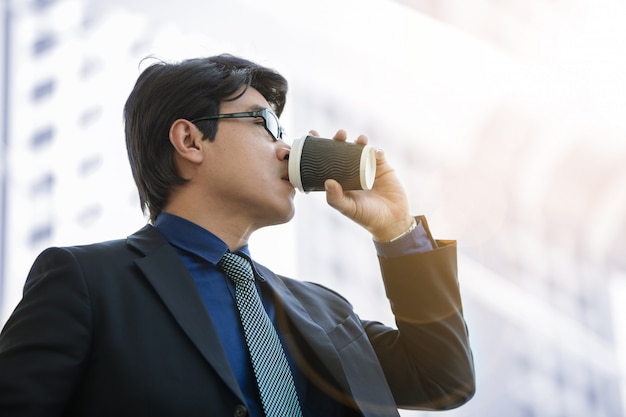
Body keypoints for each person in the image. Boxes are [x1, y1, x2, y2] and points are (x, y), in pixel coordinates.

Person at [0, 54, 475, 417]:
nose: (288, 149)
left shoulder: (325, 310)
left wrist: (396, 232)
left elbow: (444, 379)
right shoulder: (86, 283)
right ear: (190, 141)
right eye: (265, 124)